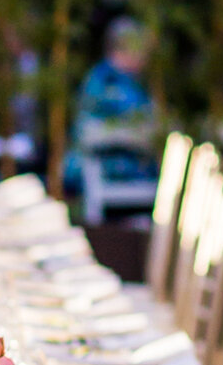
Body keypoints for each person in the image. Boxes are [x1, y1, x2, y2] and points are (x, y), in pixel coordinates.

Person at [65, 20, 158, 219]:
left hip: (125, 171)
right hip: (110, 172)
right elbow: (89, 132)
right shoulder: (105, 83)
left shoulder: (130, 81)